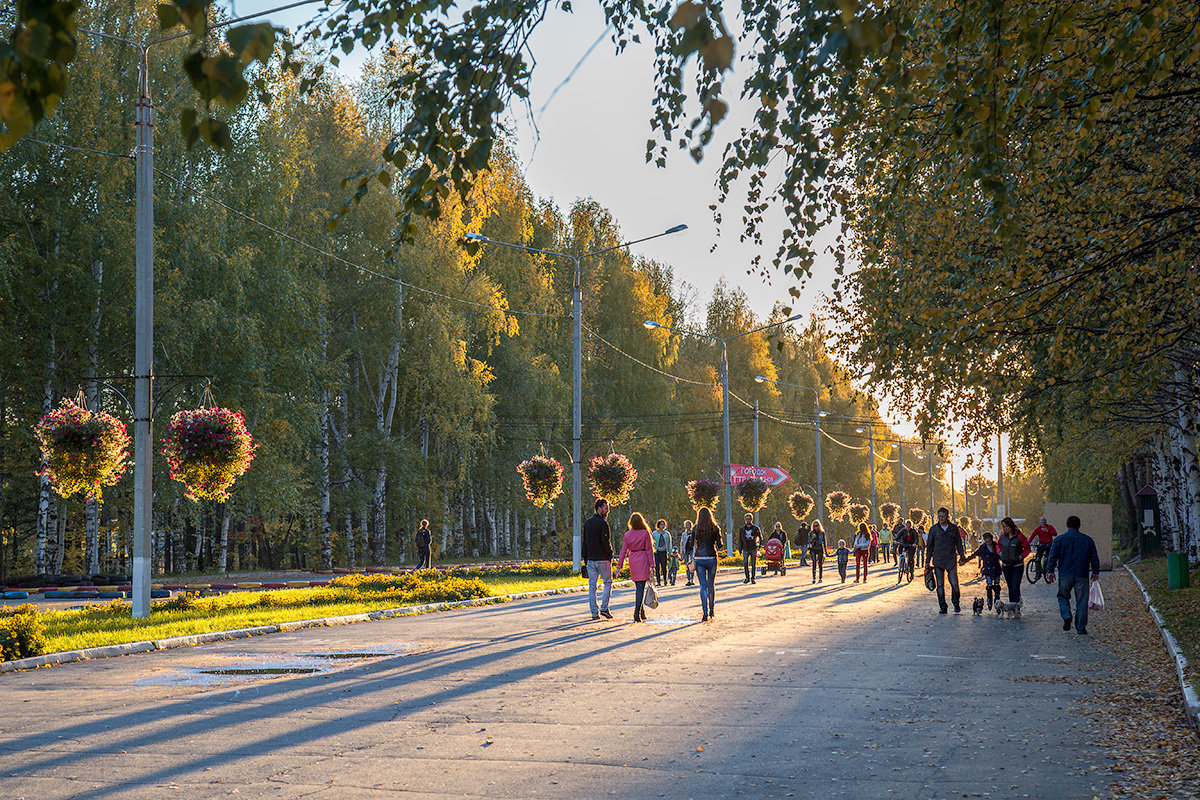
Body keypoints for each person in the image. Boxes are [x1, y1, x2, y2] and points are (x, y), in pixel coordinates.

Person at [1046, 515, 1100, 635]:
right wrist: (1095, 572)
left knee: (1063, 596)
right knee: (1082, 601)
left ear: (1067, 525)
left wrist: (1050, 571)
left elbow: (1052, 556)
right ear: (1079, 526)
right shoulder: (1088, 540)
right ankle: (1081, 627)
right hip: (1082, 574)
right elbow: (1094, 557)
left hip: (1065, 574)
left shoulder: (1059, 540)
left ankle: (1066, 615)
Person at [926, 507, 965, 614]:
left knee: (954, 584)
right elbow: (929, 546)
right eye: (939, 516)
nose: (941, 518)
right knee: (940, 585)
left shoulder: (953, 528)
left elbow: (959, 544)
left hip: (951, 560)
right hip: (938, 561)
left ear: (947, 516)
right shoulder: (934, 529)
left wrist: (962, 557)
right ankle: (943, 606)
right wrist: (927, 561)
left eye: (943, 516)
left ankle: (956, 603)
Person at [617, 513, 655, 622]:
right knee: (640, 587)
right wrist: (652, 564)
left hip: (633, 559)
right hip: (643, 559)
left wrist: (619, 566)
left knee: (638, 586)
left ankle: (642, 612)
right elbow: (649, 550)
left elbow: (623, 551)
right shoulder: (645, 533)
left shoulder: (627, 535)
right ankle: (637, 612)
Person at [581, 498, 614, 621]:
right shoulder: (603, 524)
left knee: (592, 586)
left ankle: (594, 613)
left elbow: (585, 542)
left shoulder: (587, 523)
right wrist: (610, 554)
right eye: (606, 508)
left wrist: (585, 558)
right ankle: (604, 607)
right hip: (603, 559)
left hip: (590, 559)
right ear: (599, 508)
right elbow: (605, 541)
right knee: (607, 583)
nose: (607, 510)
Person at [690, 507, 722, 621]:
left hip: (699, 558)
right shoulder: (715, 528)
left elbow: (690, 543)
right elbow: (720, 544)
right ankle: (712, 610)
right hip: (711, 557)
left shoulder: (696, 528)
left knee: (702, 586)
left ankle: (704, 611)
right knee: (711, 585)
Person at [963, 531, 1003, 610]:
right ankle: (989, 600)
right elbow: (975, 554)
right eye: (986, 541)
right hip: (987, 569)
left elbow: (1002, 555)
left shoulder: (996, 546)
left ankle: (997, 601)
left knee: (997, 586)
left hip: (996, 568)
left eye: (989, 541)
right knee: (989, 586)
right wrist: (965, 560)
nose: (988, 543)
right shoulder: (983, 547)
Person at [997, 517, 1030, 604]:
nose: (1005, 529)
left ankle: (1017, 606)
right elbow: (998, 545)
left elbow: (1027, 548)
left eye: (1006, 526)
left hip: (1017, 565)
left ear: (1011, 526)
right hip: (1006, 565)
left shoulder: (1019, 536)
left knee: (1015, 586)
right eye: (1003, 527)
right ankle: (1012, 605)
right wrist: (999, 552)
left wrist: (1021, 556)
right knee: (1010, 587)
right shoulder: (1002, 537)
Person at [737, 513, 762, 584]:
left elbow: (760, 537)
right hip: (745, 548)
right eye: (746, 519)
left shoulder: (755, 528)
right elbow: (740, 540)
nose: (748, 520)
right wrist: (740, 549)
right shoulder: (742, 529)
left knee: (753, 563)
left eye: (749, 519)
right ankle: (747, 577)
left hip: (753, 548)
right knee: (745, 563)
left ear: (751, 519)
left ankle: (753, 578)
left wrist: (759, 546)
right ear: (745, 520)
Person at [652, 519, 672, 587]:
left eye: (663, 524)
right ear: (658, 525)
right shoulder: (654, 533)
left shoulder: (667, 533)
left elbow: (669, 543)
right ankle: (658, 581)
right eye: (661, 524)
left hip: (664, 552)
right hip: (656, 552)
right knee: (657, 567)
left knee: (664, 566)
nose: (662, 526)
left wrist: (669, 553)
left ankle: (665, 580)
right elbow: (652, 543)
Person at [680, 520, 696, 586]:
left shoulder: (693, 533)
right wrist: (681, 552)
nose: (687, 526)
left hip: (692, 550)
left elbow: (695, 542)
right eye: (686, 525)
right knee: (687, 565)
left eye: (688, 525)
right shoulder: (684, 534)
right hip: (685, 551)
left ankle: (692, 579)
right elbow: (682, 543)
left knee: (692, 564)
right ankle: (688, 579)